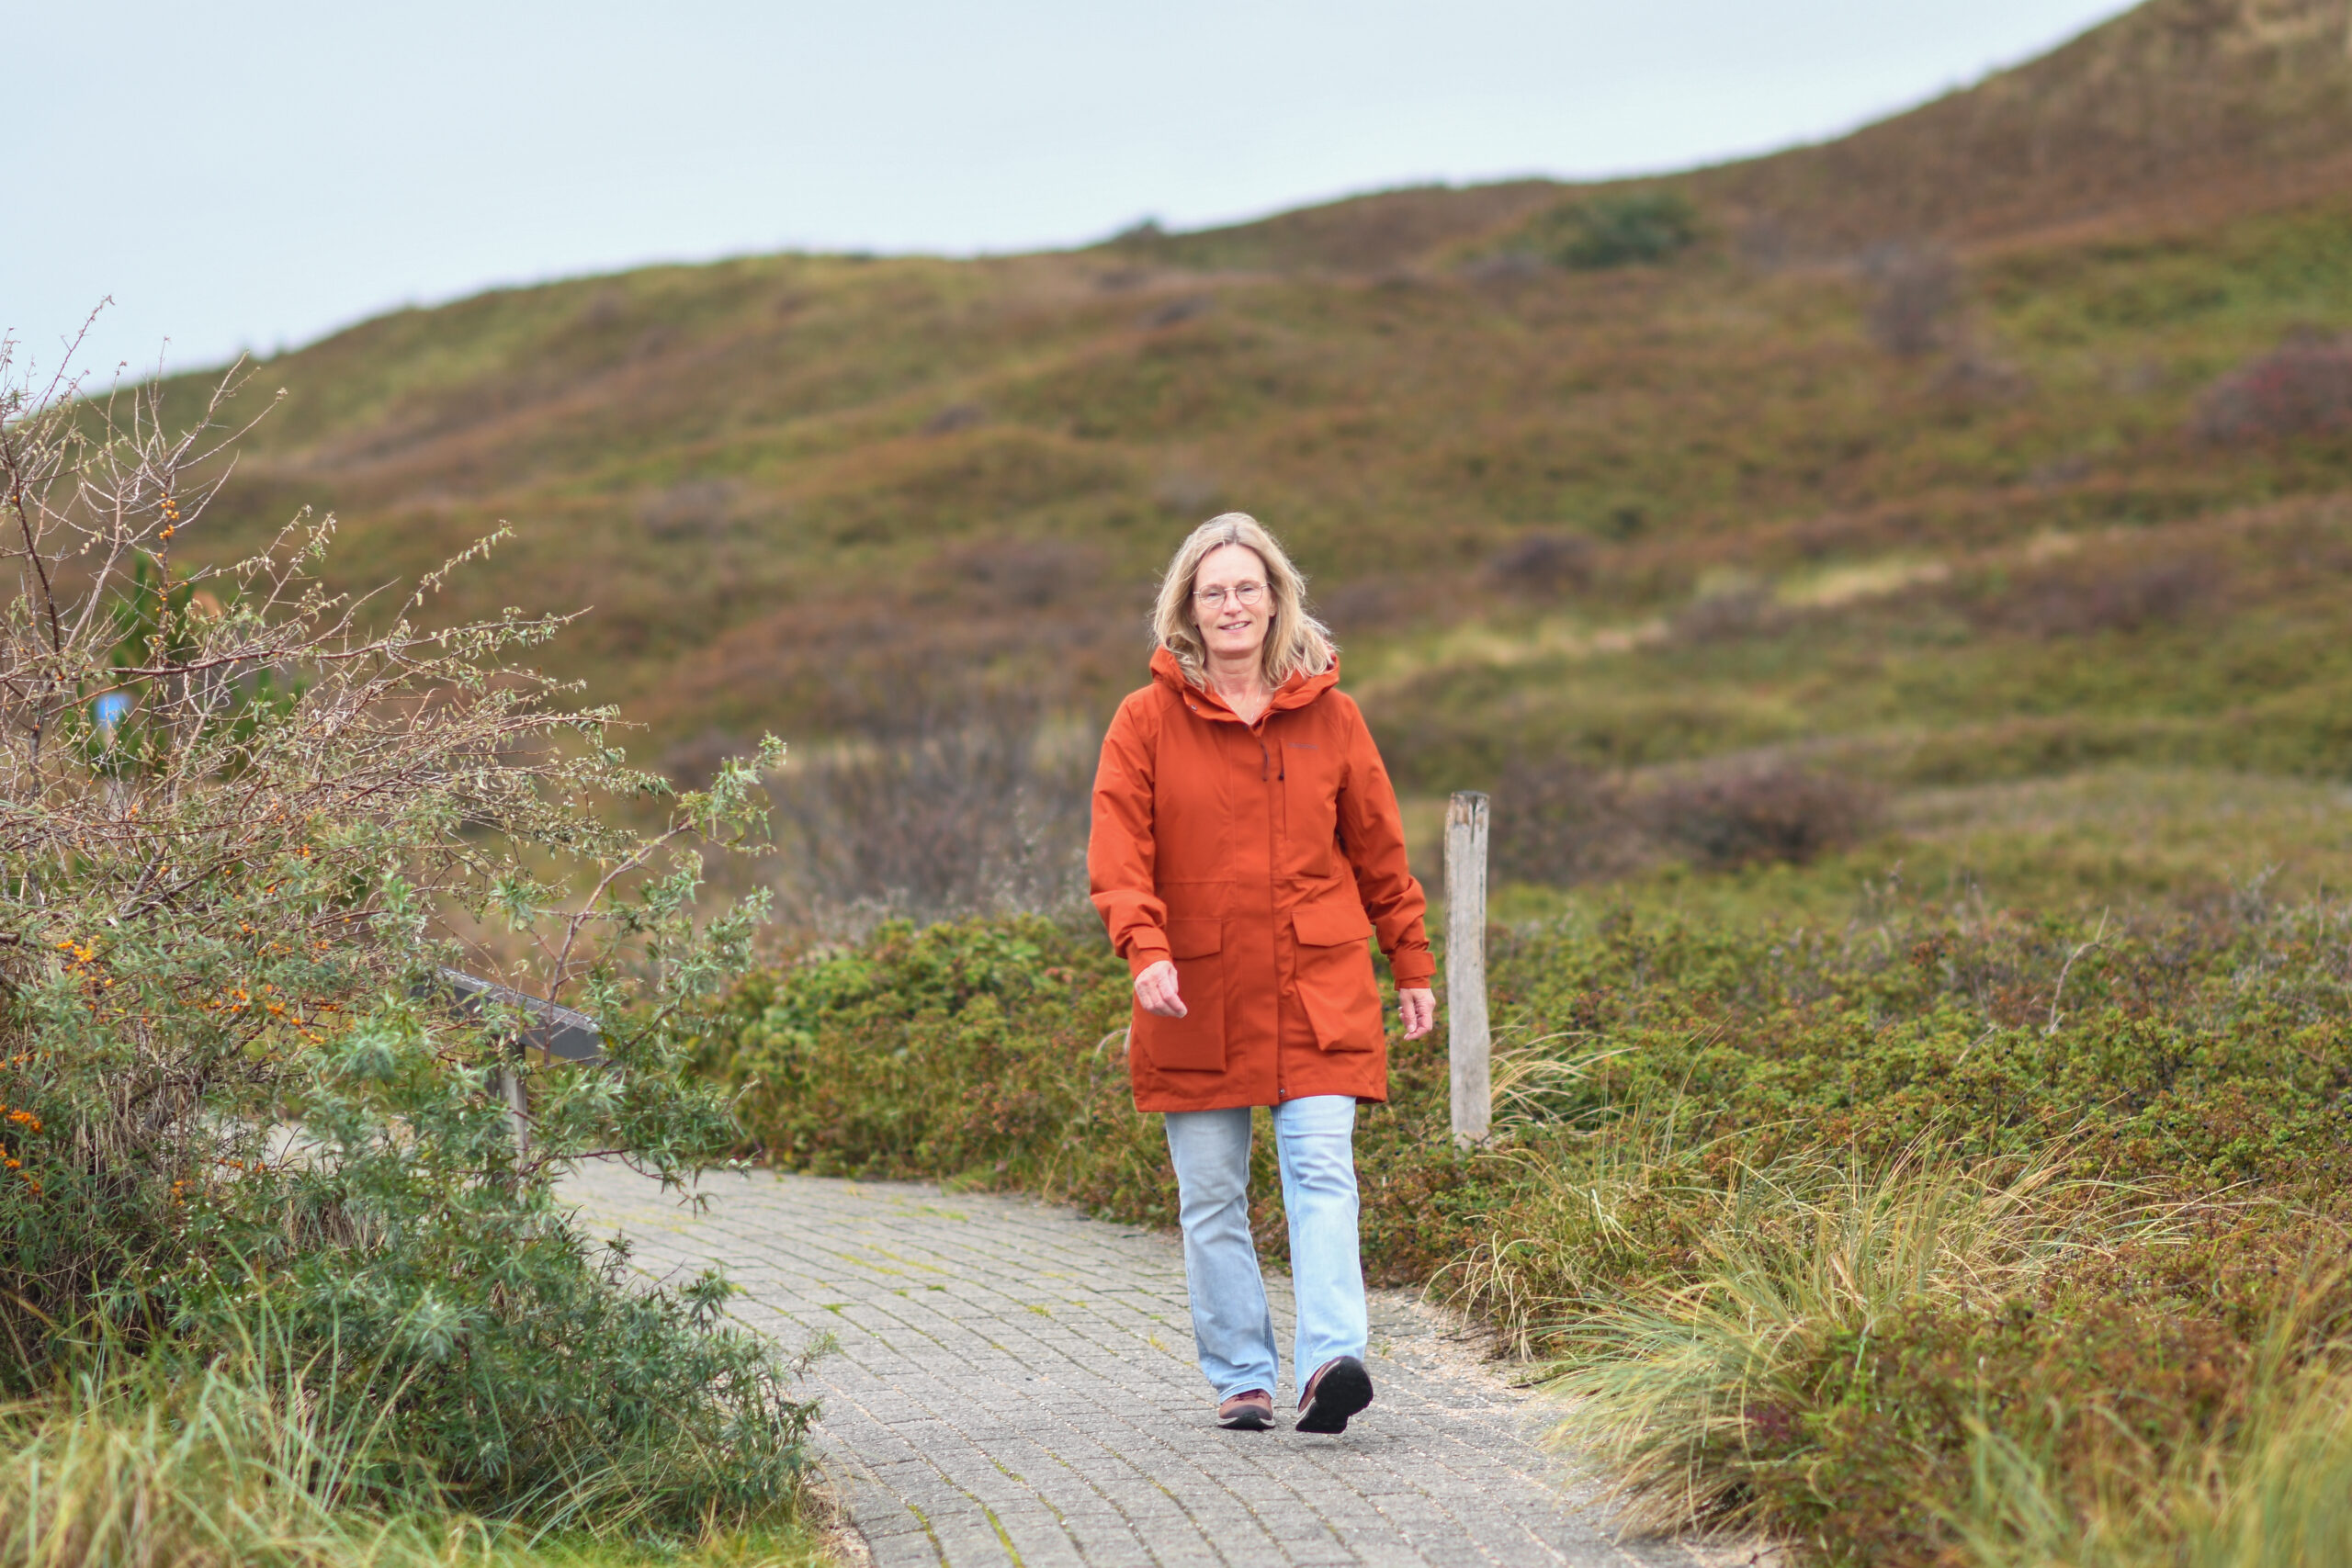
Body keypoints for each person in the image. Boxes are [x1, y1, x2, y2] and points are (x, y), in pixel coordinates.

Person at [1088, 513, 1438, 1435]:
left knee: (1320, 1170)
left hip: (1316, 990)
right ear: (1188, 611)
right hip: (1193, 992)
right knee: (1209, 1197)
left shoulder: (1335, 716)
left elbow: (1379, 853)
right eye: (1214, 592)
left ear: (1276, 599)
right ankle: (1243, 1373)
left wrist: (1410, 958)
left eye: (1249, 587)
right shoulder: (1143, 720)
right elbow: (1117, 856)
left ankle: (1330, 1362)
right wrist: (1146, 949)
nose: (1233, 605)